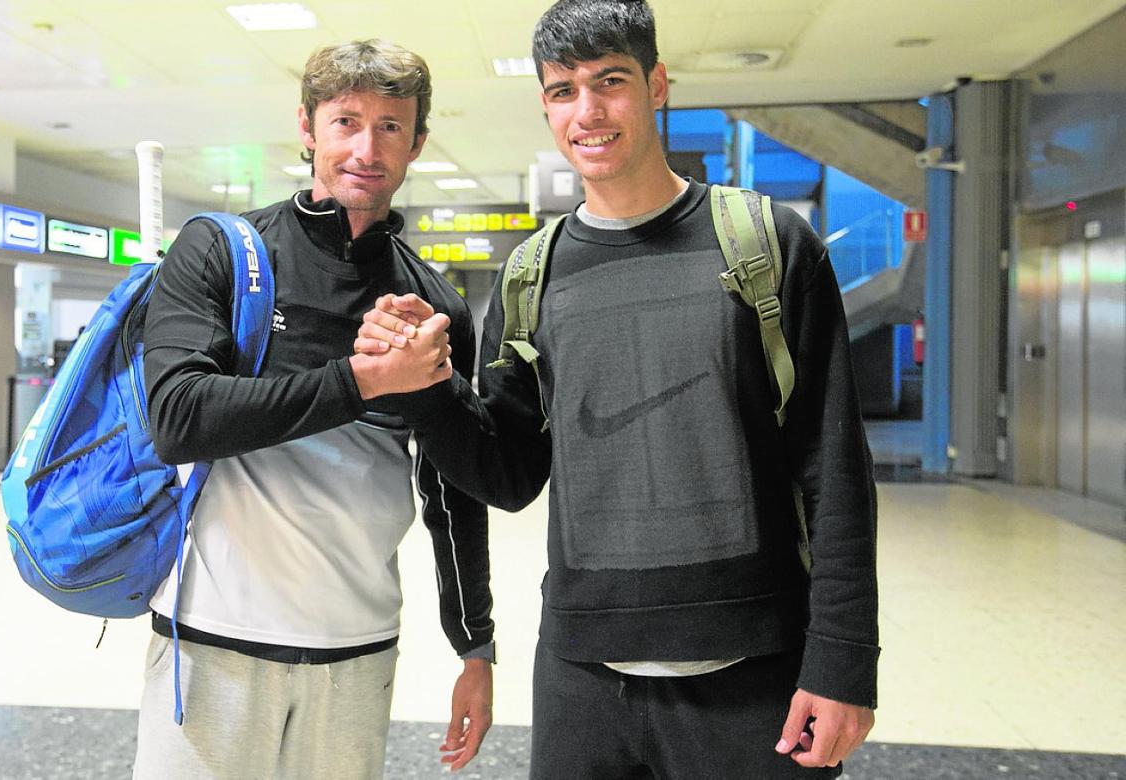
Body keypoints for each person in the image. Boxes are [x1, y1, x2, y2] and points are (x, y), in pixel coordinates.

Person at [353, 1, 879, 777]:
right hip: (582, 679)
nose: (587, 112)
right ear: (544, 103)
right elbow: (509, 474)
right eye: (563, 90)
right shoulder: (535, 275)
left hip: (754, 674)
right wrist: (424, 390)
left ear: (657, 84)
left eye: (611, 82)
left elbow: (832, 470)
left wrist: (842, 665)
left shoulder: (768, 245)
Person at [132, 39, 495, 779]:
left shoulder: (437, 305)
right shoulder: (223, 252)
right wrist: (362, 381)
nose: (367, 147)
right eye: (346, 122)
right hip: (212, 641)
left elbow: (451, 492)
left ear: (418, 141)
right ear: (308, 127)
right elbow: (177, 417)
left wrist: (476, 646)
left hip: (357, 651)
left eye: (391, 127)